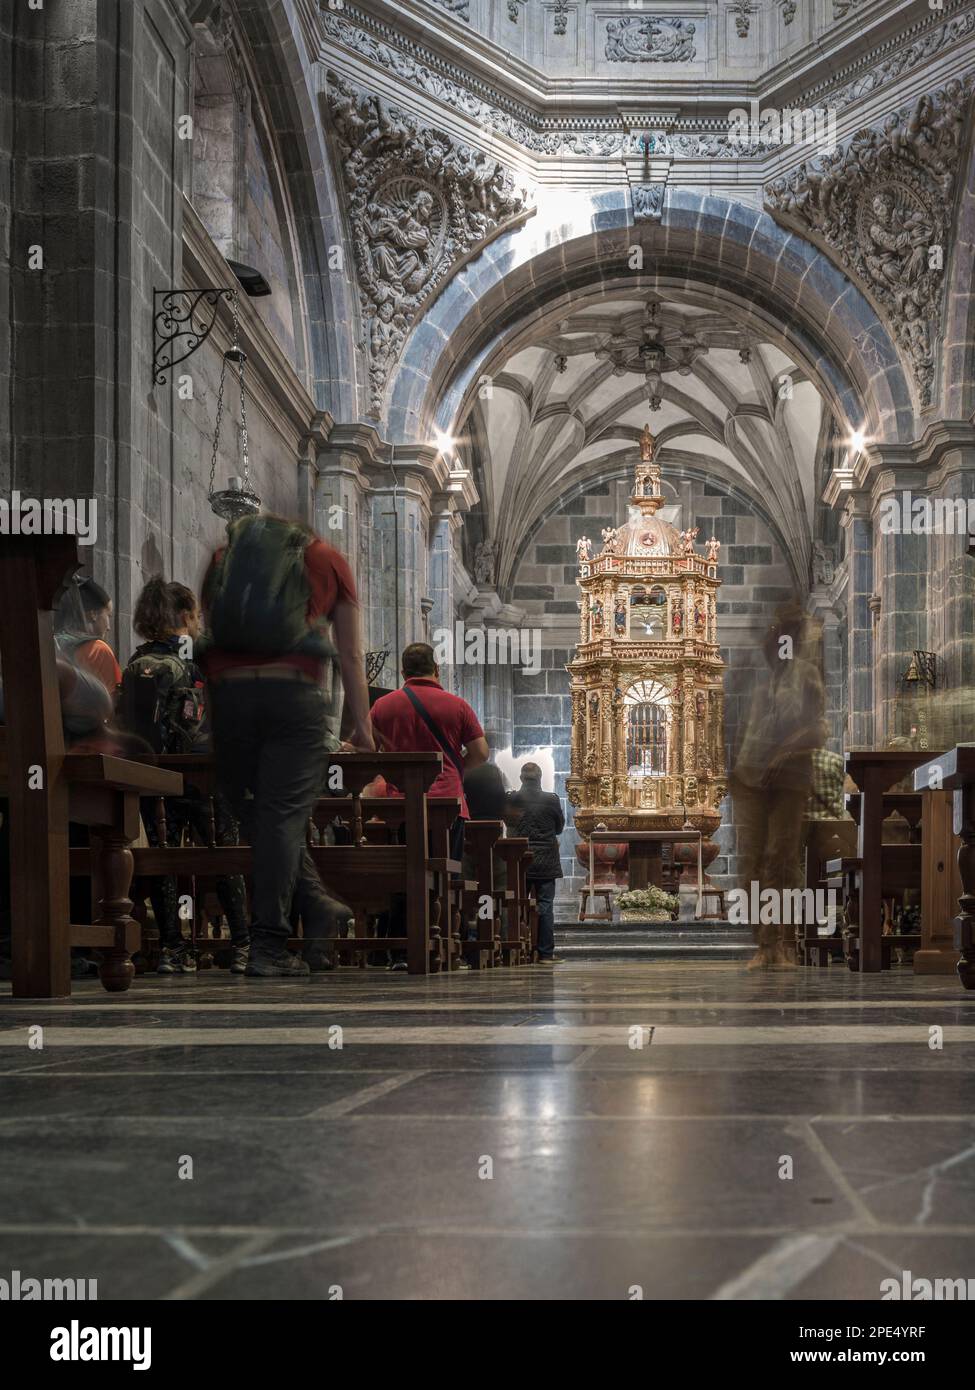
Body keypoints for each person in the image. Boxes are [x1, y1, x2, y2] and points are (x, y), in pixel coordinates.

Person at [200, 513, 373, 978]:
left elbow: (210, 639)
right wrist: (364, 729)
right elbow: (352, 654)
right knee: (281, 818)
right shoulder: (328, 558)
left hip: (231, 697)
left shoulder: (223, 559)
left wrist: (215, 723)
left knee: (257, 813)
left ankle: (315, 908)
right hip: (292, 697)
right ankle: (271, 944)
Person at [120, 578, 250, 976]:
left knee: (164, 860)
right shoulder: (199, 657)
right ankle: (243, 945)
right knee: (224, 857)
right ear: (183, 615)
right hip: (203, 775)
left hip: (150, 774)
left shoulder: (137, 660)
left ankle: (173, 950)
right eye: (193, 615)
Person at [369, 642, 489, 969]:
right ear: (436, 669)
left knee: (402, 875)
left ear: (404, 672)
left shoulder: (383, 706)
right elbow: (480, 752)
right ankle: (444, 944)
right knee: (444, 875)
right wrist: (455, 771)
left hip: (399, 806)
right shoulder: (457, 706)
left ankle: (400, 950)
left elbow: (366, 748)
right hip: (447, 805)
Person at [730, 601, 827, 970]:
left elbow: (818, 727)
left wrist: (787, 752)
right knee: (752, 864)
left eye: (781, 639)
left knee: (781, 861)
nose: (774, 646)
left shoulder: (805, 676)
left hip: (789, 779)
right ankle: (763, 944)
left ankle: (783, 944)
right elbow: (747, 732)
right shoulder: (762, 682)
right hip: (751, 780)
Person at [506, 762, 565, 963]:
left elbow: (509, 823)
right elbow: (558, 828)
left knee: (517, 903)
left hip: (519, 859)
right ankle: (545, 953)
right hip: (546, 861)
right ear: (540, 778)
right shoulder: (551, 800)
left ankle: (518, 950)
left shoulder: (512, 798)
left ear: (522, 778)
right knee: (546, 906)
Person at [54, 577, 122, 696]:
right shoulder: (99, 650)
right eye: (108, 615)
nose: (109, 627)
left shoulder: (53, 642)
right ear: (93, 614)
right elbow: (114, 702)